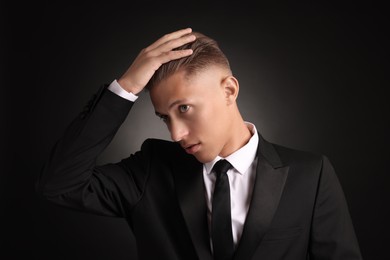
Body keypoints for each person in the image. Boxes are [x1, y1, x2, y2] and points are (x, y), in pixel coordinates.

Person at [36, 28, 363, 259]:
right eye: (165, 117)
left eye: (184, 109)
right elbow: (59, 184)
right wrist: (125, 87)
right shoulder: (150, 170)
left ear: (229, 91)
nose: (175, 134)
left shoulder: (310, 175)